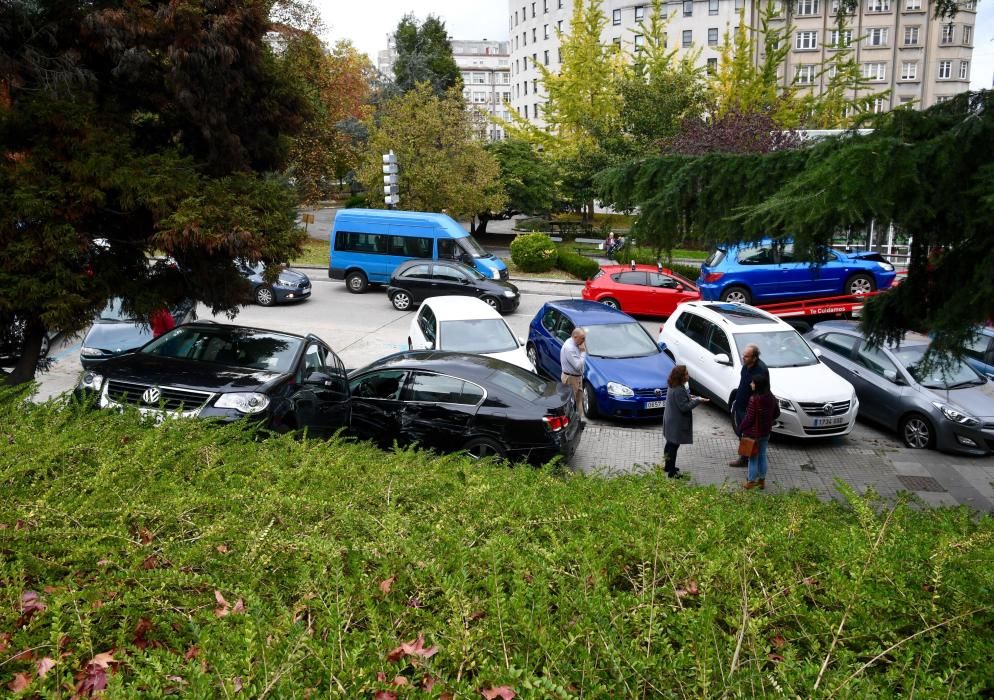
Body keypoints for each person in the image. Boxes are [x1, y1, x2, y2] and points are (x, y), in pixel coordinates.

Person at [661, 364, 709, 479]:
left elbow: (682, 398)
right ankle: (672, 472)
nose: (688, 375)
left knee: (669, 443)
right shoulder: (678, 389)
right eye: (686, 373)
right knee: (673, 446)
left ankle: (667, 466)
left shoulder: (673, 385)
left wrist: (692, 397)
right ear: (681, 376)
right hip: (676, 423)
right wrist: (697, 400)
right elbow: (684, 407)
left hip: (670, 420)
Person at [728, 344, 768, 467]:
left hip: (749, 409)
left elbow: (761, 392)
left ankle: (751, 464)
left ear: (754, 358)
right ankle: (744, 458)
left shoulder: (760, 371)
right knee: (742, 434)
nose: (743, 358)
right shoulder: (746, 366)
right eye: (743, 355)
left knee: (749, 436)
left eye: (746, 356)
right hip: (740, 405)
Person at [738, 372, 778, 490]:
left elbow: (749, 418)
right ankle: (761, 481)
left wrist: (740, 428)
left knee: (753, 458)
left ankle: (750, 482)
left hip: (753, 434)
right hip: (765, 432)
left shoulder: (754, 399)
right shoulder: (771, 397)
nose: (751, 384)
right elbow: (777, 413)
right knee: (762, 455)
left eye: (753, 382)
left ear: (758, 385)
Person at [560, 327, 587, 418]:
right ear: (575, 337)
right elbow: (577, 366)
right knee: (570, 402)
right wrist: (583, 352)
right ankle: (568, 420)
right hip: (571, 378)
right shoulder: (569, 348)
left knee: (579, 400)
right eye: (582, 338)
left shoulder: (575, 343)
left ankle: (581, 419)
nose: (584, 341)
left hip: (576, 377)